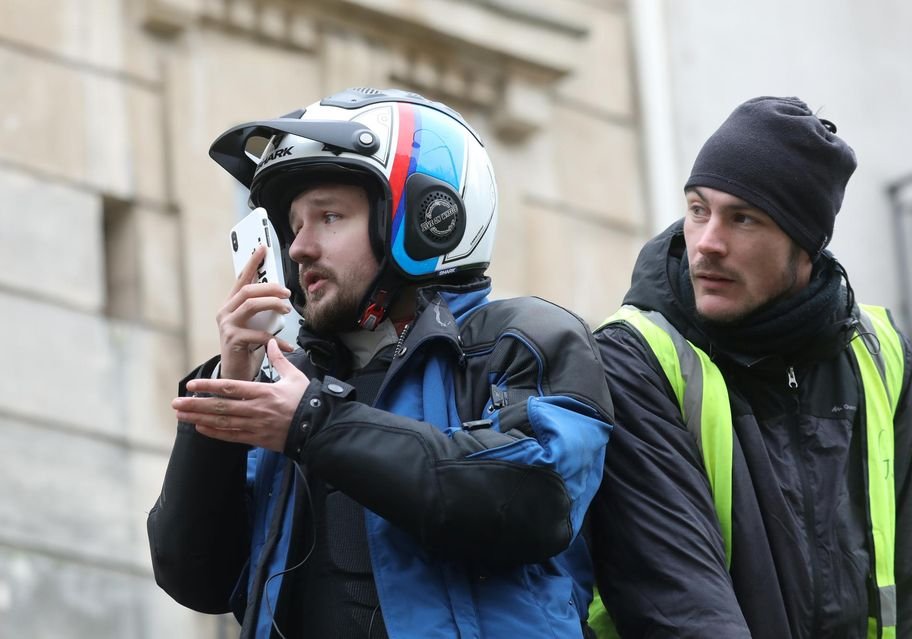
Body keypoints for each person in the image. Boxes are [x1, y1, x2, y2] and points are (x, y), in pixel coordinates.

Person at [147, 87, 613, 639]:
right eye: (294, 226)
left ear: (425, 219)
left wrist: (314, 424)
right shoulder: (291, 385)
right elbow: (194, 575)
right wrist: (228, 391)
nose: (299, 249)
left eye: (329, 217)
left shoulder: (526, 338)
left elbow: (532, 501)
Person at [589, 96, 912, 638]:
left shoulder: (881, 354)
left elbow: (909, 590)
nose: (707, 243)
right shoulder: (634, 358)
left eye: (742, 218)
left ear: (805, 246)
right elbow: (683, 606)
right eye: (698, 209)